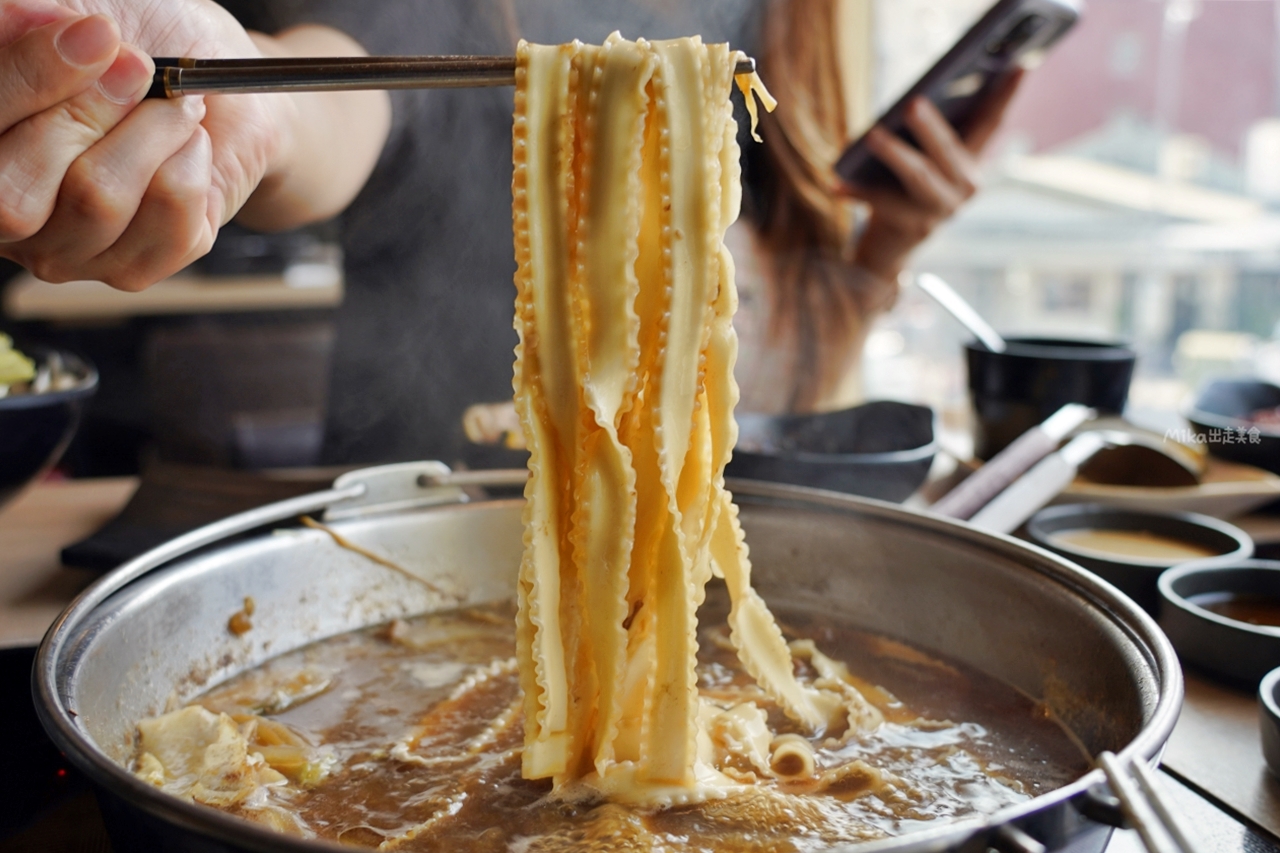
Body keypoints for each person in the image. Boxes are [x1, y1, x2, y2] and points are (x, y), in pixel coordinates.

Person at [0, 0, 1021, 463]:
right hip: (429, 522)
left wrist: (875, 254)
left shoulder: (791, 32)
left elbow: (784, 409)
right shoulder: (445, 15)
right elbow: (328, 100)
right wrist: (251, 110)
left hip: (726, 548)